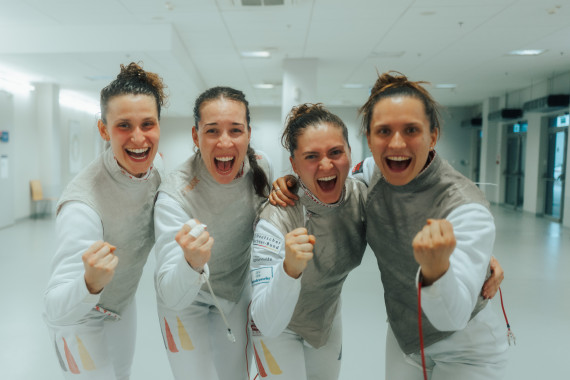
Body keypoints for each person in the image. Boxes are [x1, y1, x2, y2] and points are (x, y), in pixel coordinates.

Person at [355, 71, 508, 379]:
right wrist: (289, 185)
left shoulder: (466, 206)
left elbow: (452, 317)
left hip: (466, 344)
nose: (396, 143)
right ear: (369, 138)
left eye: (411, 130)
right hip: (404, 337)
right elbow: (328, 190)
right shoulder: (371, 172)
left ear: (433, 135)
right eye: (384, 131)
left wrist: (438, 271)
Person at [44, 62, 167, 379]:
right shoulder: (82, 204)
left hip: (121, 305)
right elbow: (55, 306)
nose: (138, 138)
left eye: (147, 124)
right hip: (78, 317)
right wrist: (89, 282)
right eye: (124, 125)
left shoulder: (158, 172)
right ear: (104, 130)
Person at [153, 86, 272, 380]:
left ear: (248, 133)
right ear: (195, 136)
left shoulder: (262, 167)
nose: (224, 142)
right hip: (184, 299)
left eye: (235, 130)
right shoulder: (175, 192)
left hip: (234, 290)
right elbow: (170, 290)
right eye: (212, 131)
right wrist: (190, 263)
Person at [249, 104, 367, 380]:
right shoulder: (278, 213)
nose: (326, 165)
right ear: (294, 164)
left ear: (350, 152)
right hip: (277, 325)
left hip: (325, 317)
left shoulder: (361, 196)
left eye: (336, 152)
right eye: (311, 156)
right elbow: (265, 320)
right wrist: (289, 270)